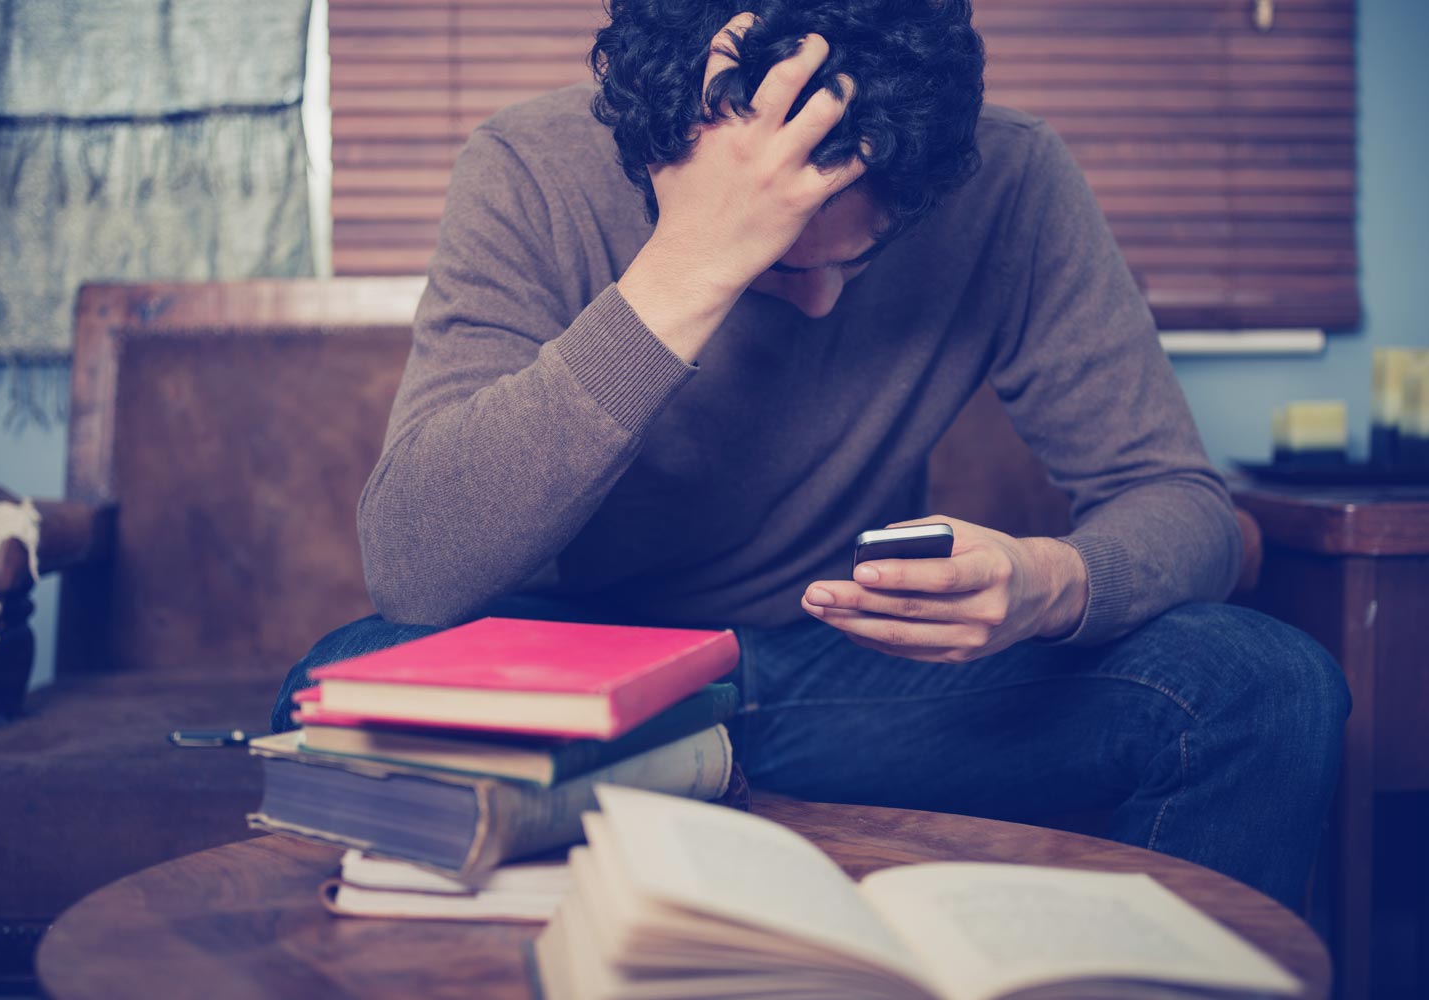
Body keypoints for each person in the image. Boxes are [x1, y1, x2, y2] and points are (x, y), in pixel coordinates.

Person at [273, 0, 1348, 911]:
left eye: (861, 256)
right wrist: (685, 272)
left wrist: (1046, 582)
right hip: (581, 683)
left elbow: (1178, 500)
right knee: (330, 692)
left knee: (1265, 684)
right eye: (777, 269)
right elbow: (414, 565)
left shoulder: (1013, 182)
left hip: (842, 676)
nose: (825, 300)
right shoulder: (530, 170)